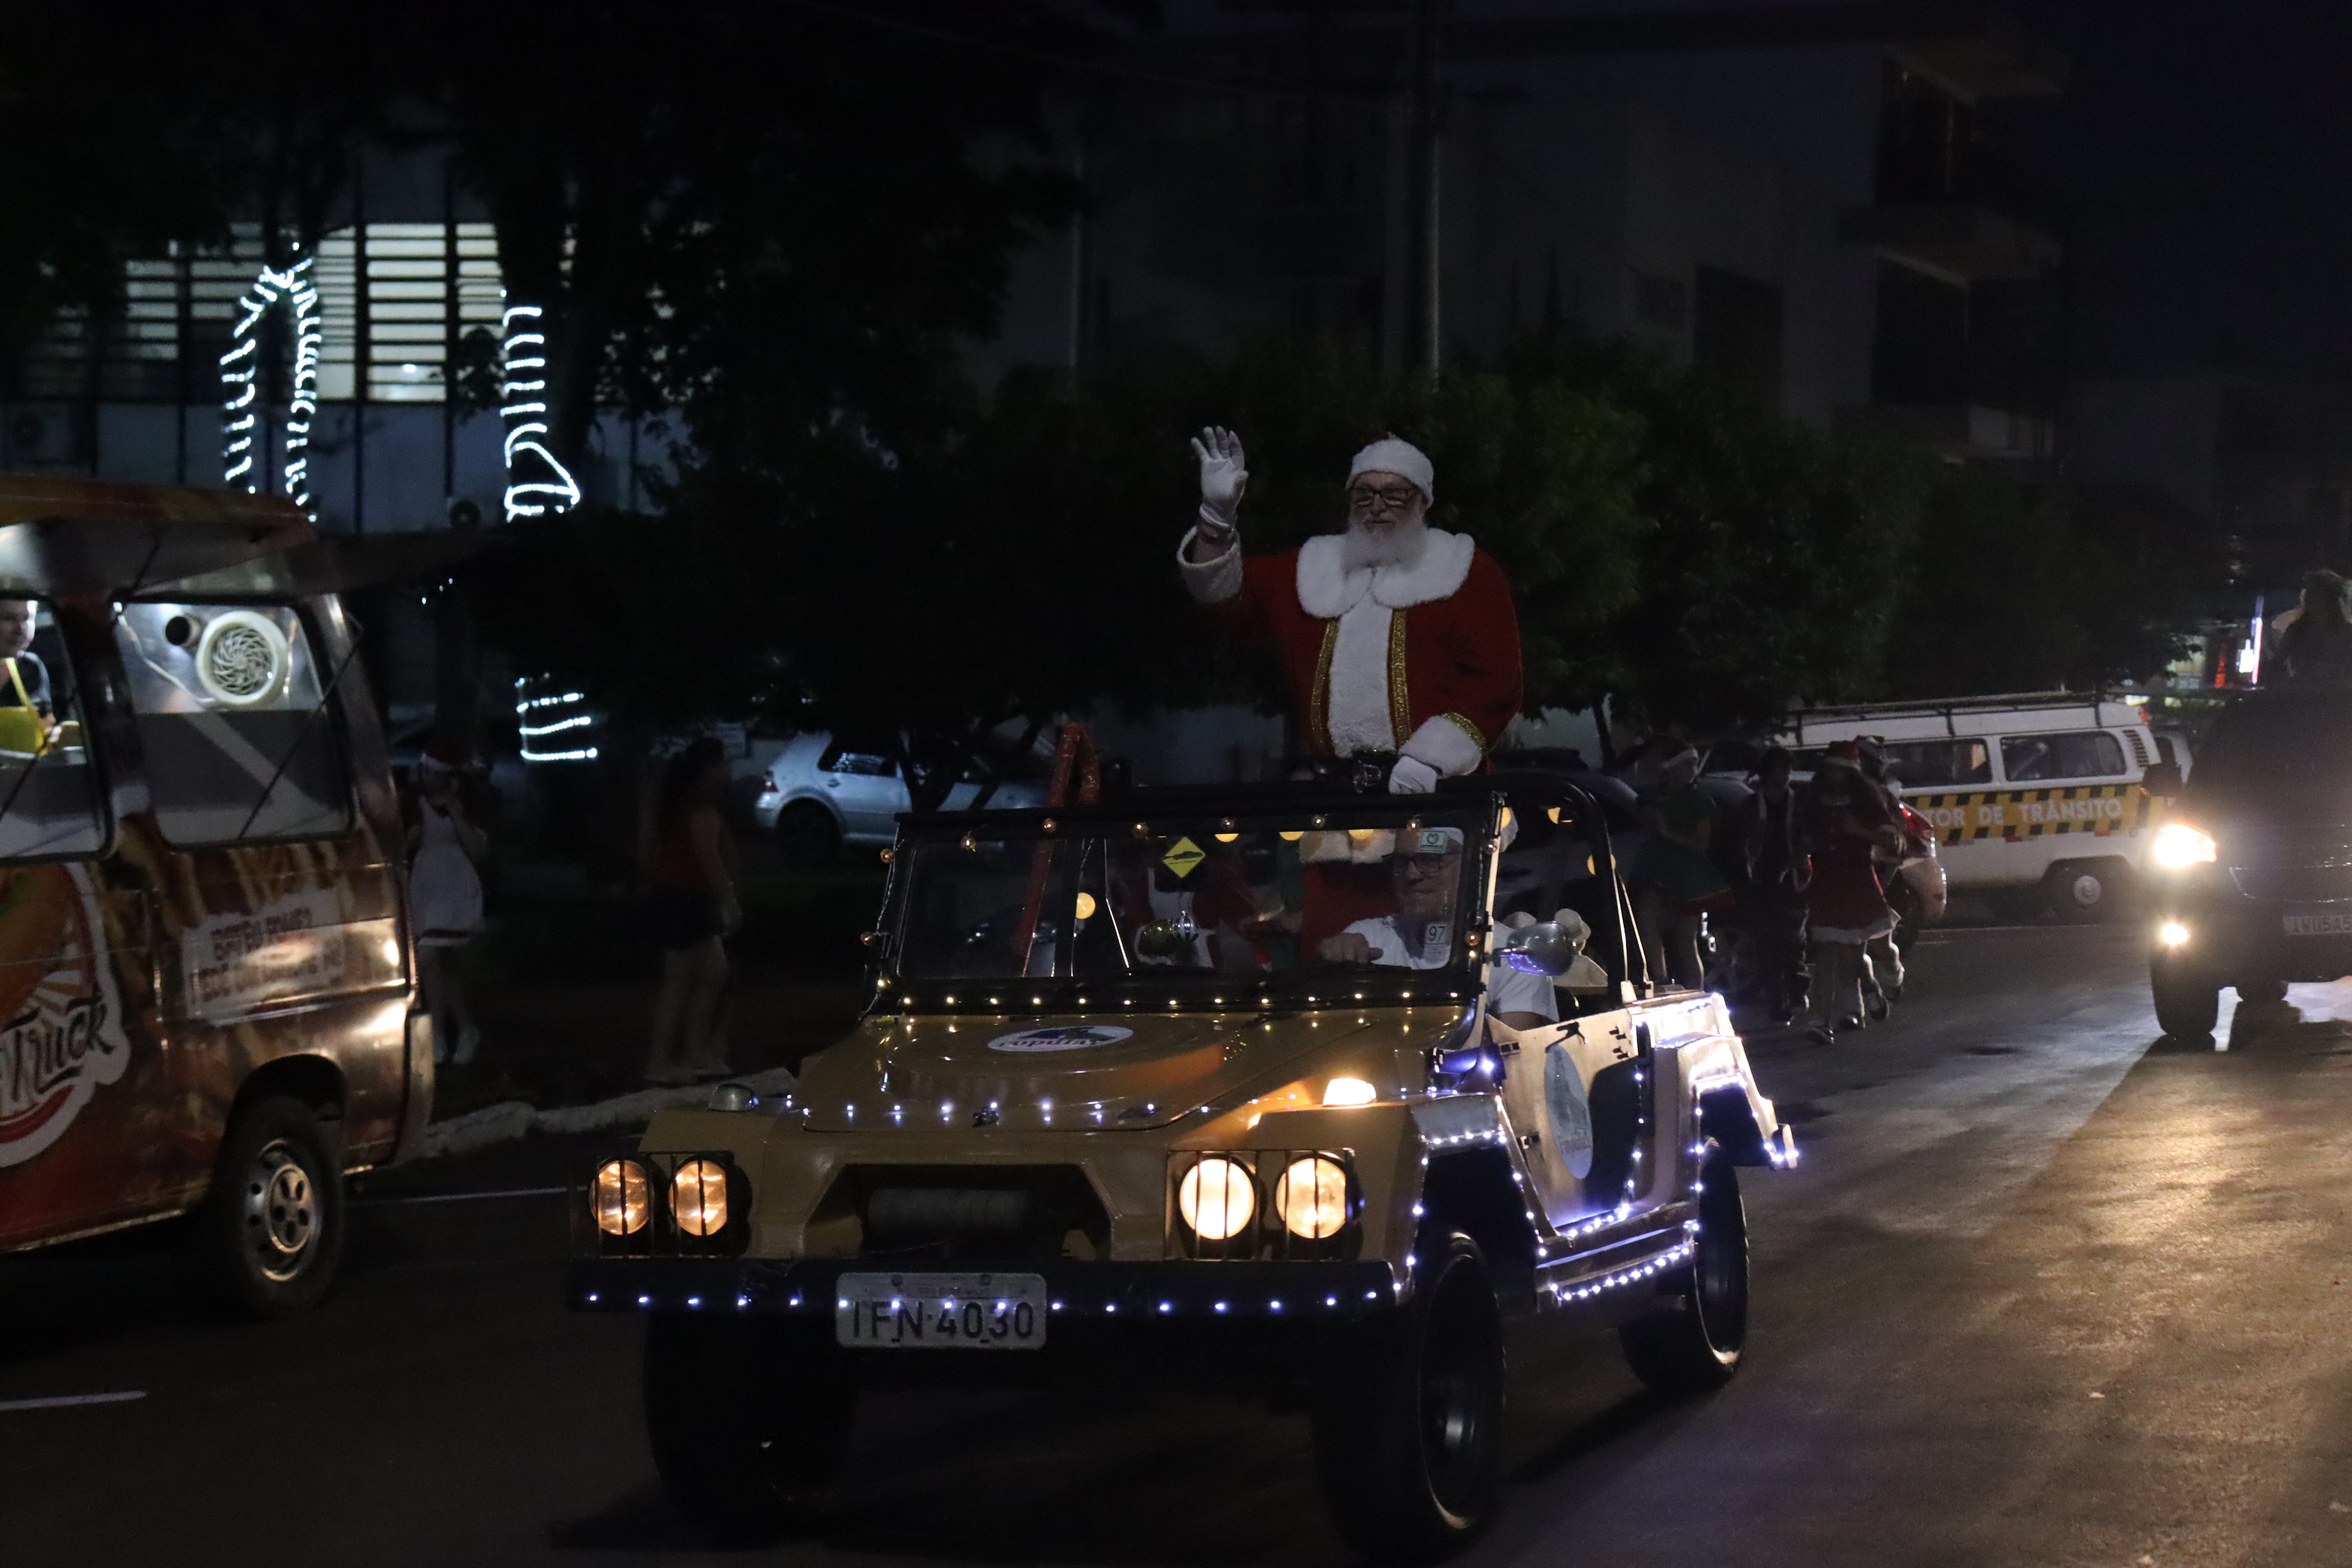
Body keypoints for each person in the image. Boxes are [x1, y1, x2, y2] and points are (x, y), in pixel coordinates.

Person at [1179, 427, 1523, 792]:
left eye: (1395, 495)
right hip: (1333, 799)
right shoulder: (1311, 566)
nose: (1376, 507)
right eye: (1364, 494)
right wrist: (1215, 521)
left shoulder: (1465, 568)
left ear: (1423, 502)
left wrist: (1431, 758)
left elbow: (1496, 680)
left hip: (1441, 794)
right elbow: (1223, 596)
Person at [1315, 826, 1556, 1027]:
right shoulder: (1369, 940)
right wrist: (1333, 957)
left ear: (1471, 866)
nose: (1411, 874)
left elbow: (1512, 1062)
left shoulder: (1514, 958)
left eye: (1430, 859)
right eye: (1401, 861)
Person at [643, 737, 741, 1086]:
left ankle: (695, 1050)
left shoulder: (695, 803)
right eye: (723, 763)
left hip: (691, 899)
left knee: (715, 971)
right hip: (682, 899)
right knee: (679, 981)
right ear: (710, 769)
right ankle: (659, 1061)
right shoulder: (698, 807)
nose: (729, 769)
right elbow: (708, 859)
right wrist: (728, 901)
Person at [1796, 741, 1902, 1042]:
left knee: (1856, 953)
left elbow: (1891, 841)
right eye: (1830, 769)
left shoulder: (1867, 799)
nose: (1833, 775)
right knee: (1827, 951)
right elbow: (1807, 836)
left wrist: (1857, 830)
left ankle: (1865, 997)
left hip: (1857, 876)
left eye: (1839, 770)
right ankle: (1821, 1020)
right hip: (1827, 878)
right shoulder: (1815, 800)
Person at [1625, 744, 1734, 992]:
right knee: (1646, 917)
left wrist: (1667, 833)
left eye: (1694, 764)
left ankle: (1697, 994)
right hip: (1656, 868)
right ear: (1671, 767)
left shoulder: (1699, 800)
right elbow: (1642, 811)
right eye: (1687, 764)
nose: (1692, 770)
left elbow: (1700, 843)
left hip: (1687, 873)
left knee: (1687, 941)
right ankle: (1660, 978)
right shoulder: (1654, 797)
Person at [407, 742, 487, 1066]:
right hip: (427, 883)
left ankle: (439, 1034)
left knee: (431, 955)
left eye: (434, 772)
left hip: (455, 884)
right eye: (425, 771)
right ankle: (463, 1030)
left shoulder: (466, 806)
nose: (427, 777)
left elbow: (478, 851)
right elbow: (407, 844)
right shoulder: (413, 804)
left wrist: (455, 809)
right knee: (444, 963)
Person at [1732, 746, 1808, 1025]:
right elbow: (1740, 844)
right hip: (1762, 881)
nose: (1785, 774)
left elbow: (1807, 839)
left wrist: (1796, 862)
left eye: (1787, 769)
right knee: (1768, 944)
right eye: (1779, 769)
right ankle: (1779, 1004)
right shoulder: (1752, 806)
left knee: (1794, 941)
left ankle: (1798, 992)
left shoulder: (1797, 803)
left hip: (1793, 881)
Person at [1854, 736, 1907, 1015]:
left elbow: (1898, 842)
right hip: (1846, 877)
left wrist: (1884, 877)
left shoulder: (1881, 797)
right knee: (1852, 946)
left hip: (1874, 879)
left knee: (1882, 945)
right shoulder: (1841, 794)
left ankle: (1894, 973)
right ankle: (1870, 990)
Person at [2272, 571, 2352, 684]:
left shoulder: (2346, 632)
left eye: (2320, 595)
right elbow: (2278, 663)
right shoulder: (2296, 630)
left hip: (2336, 692)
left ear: (2332, 601)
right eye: (2312, 594)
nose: (2314, 600)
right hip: (2302, 693)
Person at [0, 599, 55, 718]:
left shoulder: (30, 667)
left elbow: (45, 722)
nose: (20, 629)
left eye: (27, 619)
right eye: (8, 618)